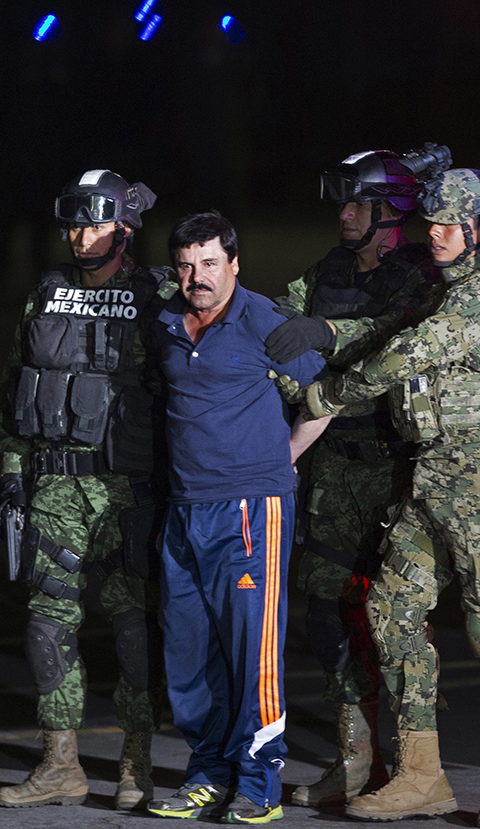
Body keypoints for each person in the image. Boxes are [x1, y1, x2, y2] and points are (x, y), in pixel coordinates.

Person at [303, 169, 480, 826]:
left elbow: (408, 350)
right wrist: (320, 332)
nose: (431, 234)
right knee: (390, 608)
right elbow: (384, 329)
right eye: (429, 221)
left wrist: (331, 393)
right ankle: (419, 773)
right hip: (433, 479)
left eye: (446, 224)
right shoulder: (448, 292)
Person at [263, 149, 442, 807]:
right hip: (335, 466)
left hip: (396, 469)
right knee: (328, 617)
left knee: (397, 622)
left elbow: (399, 331)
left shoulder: (418, 275)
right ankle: (354, 761)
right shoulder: (333, 269)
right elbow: (281, 315)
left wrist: (325, 330)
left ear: (390, 213)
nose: (342, 213)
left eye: (355, 203)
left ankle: (412, 766)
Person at [0, 169, 169, 810]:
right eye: (73, 223)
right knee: (46, 623)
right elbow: (17, 389)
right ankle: (60, 764)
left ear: (123, 228)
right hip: (55, 487)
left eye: (93, 223)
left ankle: (136, 765)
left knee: (134, 628)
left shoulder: (159, 294)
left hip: (129, 489)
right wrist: (12, 474)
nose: (79, 235)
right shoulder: (48, 292)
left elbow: (196, 389)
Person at [146, 211, 328, 824]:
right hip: (184, 511)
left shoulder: (263, 320)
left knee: (254, 651)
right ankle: (207, 773)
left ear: (234, 263)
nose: (197, 277)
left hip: (252, 510)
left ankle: (259, 782)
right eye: (186, 265)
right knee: (190, 651)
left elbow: (328, 396)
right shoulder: (168, 319)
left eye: (209, 264)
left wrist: (285, 455)